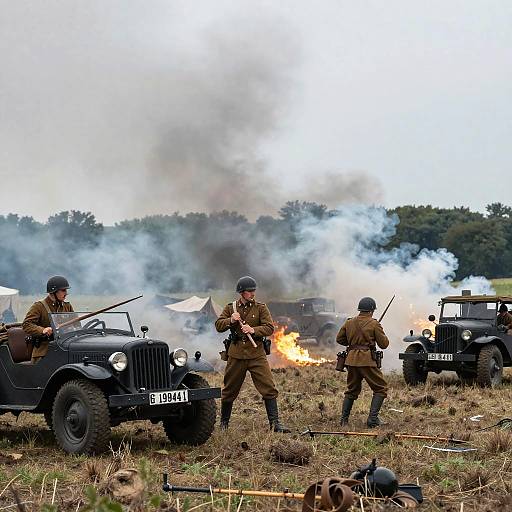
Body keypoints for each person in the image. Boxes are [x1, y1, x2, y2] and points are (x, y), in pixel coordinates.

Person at [215, 276, 290, 432]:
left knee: (269, 387)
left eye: (254, 290)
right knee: (229, 390)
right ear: (242, 292)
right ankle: (224, 424)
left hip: (257, 355)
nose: (253, 293)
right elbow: (218, 326)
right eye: (250, 291)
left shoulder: (260, 308)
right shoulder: (231, 308)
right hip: (236, 356)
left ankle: (275, 424)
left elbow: (269, 328)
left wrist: (253, 330)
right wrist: (231, 320)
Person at [336, 297, 389, 428]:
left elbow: (339, 339)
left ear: (360, 309)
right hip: (367, 361)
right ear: (371, 310)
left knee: (351, 390)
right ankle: (372, 420)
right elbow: (384, 344)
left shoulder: (349, 322)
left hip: (351, 361)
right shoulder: (374, 324)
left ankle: (344, 420)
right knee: (381, 388)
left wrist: (354, 343)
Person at [22, 276, 74, 363]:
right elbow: (26, 324)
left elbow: (76, 325)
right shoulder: (39, 306)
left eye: (66, 290)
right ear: (54, 292)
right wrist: (43, 330)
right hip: (44, 350)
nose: (66, 293)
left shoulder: (67, 306)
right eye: (63, 290)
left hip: (64, 347)